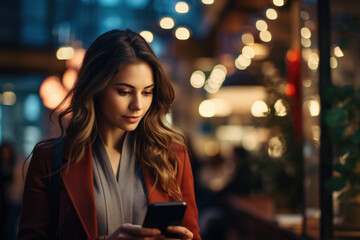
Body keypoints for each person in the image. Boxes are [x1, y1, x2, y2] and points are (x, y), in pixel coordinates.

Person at [18, 29, 201, 240]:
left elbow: (192, 234)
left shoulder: (173, 157)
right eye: (124, 92)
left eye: (147, 92)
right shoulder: (49, 159)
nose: (138, 105)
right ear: (96, 87)